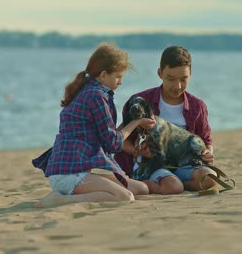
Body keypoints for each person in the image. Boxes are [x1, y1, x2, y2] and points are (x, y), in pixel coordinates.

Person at [32, 43, 156, 208]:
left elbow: (108, 138)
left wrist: (132, 123)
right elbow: (113, 143)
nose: (120, 82)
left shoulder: (88, 90)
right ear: (104, 75)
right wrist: (136, 123)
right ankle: (59, 200)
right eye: (118, 76)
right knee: (125, 197)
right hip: (69, 173)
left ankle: (66, 193)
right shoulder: (96, 95)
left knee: (141, 188)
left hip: (76, 169)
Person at [115, 45, 216, 194]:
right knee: (173, 186)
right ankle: (148, 183)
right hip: (152, 166)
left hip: (185, 165)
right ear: (160, 73)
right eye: (171, 78)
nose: (177, 86)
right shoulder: (142, 101)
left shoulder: (197, 106)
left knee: (211, 178)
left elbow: (206, 140)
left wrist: (208, 153)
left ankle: (175, 182)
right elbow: (117, 138)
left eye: (184, 79)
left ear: (190, 74)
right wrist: (138, 152)